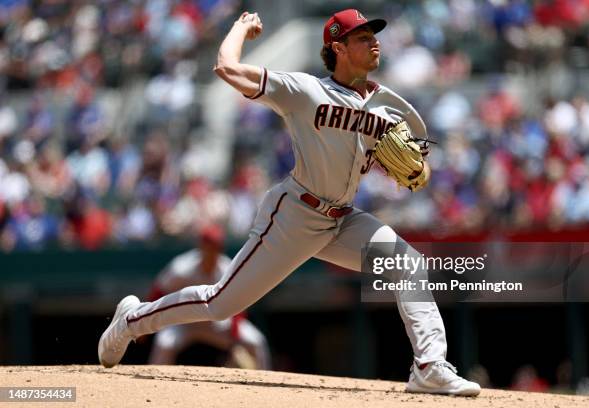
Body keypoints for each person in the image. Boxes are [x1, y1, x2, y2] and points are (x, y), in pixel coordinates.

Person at [98, 9, 481, 396]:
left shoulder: (386, 106)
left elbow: (410, 164)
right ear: (339, 48)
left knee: (407, 264)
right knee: (219, 303)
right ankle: (131, 321)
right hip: (295, 215)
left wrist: (413, 171)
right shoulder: (304, 90)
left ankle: (429, 366)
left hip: (343, 219)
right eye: (363, 37)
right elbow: (225, 68)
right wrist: (239, 28)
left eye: (373, 35)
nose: (375, 42)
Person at [145, 225, 270, 369]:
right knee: (164, 344)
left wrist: (234, 334)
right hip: (185, 323)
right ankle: (154, 382)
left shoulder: (226, 268)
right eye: (209, 246)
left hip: (215, 324)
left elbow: (238, 301)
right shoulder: (182, 267)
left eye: (215, 247)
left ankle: (264, 379)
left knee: (256, 341)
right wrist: (148, 323)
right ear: (201, 246)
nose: (212, 251)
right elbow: (159, 291)